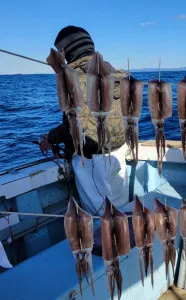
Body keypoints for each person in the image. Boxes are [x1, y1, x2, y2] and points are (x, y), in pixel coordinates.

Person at [40, 26, 129, 215]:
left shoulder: (73, 80)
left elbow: (72, 125)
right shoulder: (113, 73)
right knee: (120, 203)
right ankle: (126, 240)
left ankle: (108, 243)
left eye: (61, 52)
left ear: (68, 51)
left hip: (92, 158)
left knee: (100, 212)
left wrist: (50, 139)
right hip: (119, 150)